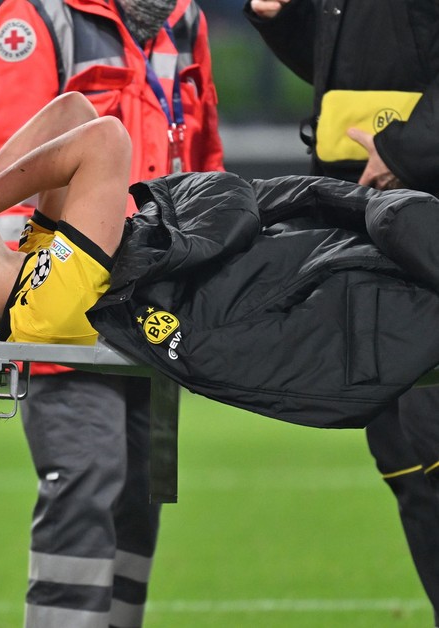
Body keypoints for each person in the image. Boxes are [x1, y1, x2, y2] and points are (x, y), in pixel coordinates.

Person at [0, 90, 439, 437]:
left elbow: (71, 109)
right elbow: (104, 140)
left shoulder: (29, 261)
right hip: (288, 290)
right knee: (401, 229)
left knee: (397, 223)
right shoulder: (41, 310)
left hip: (279, 260)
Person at [0, 0, 222, 623]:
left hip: (156, 313)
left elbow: (205, 159)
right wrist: (23, 320)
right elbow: (2, 177)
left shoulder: (184, 19)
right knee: (87, 481)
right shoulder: (36, 18)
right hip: (68, 319)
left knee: (141, 496)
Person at [245, 0, 439, 621]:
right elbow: (343, 74)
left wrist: (402, 148)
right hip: (364, 207)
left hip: (419, 203)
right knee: (403, 454)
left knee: (427, 439)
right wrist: (281, 22)